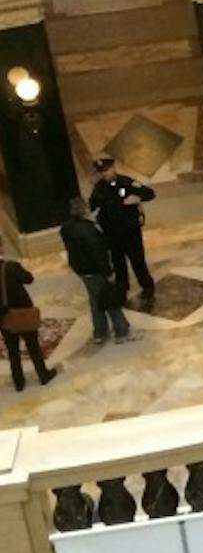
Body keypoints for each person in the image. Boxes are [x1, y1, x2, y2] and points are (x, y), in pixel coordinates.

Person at [60, 197, 132, 346]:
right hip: (94, 270)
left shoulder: (67, 227)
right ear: (84, 209)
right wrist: (108, 272)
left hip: (81, 270)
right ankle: (121, 330)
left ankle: (100, 331)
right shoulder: (88, 230)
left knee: (95, 299)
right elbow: (98, 253)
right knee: (109, 299)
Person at [89, 157, 156, 303]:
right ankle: (122, 289)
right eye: (102, 171)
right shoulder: (98, 188)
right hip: (111, 233)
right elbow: (93, 205)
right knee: (118, 264)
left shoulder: (126, 182)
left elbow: (150, 193)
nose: (105, 174)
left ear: (113, 168)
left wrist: (137, 198)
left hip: (130, 231)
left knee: (137, 261)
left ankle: (147, 287)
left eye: (107, 170)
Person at [0, 250, 59, 391]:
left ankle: (19, 382)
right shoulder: (12, 266)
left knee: (12, 350)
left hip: (4, 317)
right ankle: (43, 375)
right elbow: (29, 279)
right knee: (33, 346)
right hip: (23, 313)